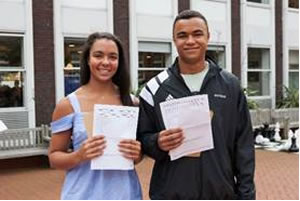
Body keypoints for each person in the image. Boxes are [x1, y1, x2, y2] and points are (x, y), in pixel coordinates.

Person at [137, 10, 255, 199]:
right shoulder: (154, 89)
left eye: (197, 34)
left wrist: (246, 195)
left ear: (207, 37)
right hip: (171, 194)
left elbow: (244, 147)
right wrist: (157, 142)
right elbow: (142, 139)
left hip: (220, 193)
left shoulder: (230, 86)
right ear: (174, 40)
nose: (190, 41)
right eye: (182, 36)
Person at [49, 32, 142, 200]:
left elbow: (135, 157)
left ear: (119, 62)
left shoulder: (132, 103)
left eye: (112, 57)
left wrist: (138, 154)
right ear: (87, 59)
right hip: (82, 194)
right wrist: (78, 155)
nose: (105, 62)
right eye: (98, 55)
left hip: (126, 194)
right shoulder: (68, 105)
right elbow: (54, 157)